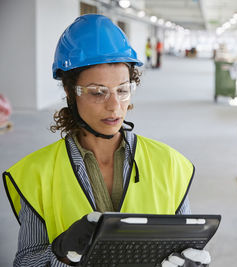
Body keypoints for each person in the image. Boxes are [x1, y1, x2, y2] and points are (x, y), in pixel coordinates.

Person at [2, 14, 210, 267]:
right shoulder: (36, 173)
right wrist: (59, 255)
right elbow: (25, 261)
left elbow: (182, 248)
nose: (114, 107)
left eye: (122, 90)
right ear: (69, 92)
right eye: (98, 92)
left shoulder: (170, 164)